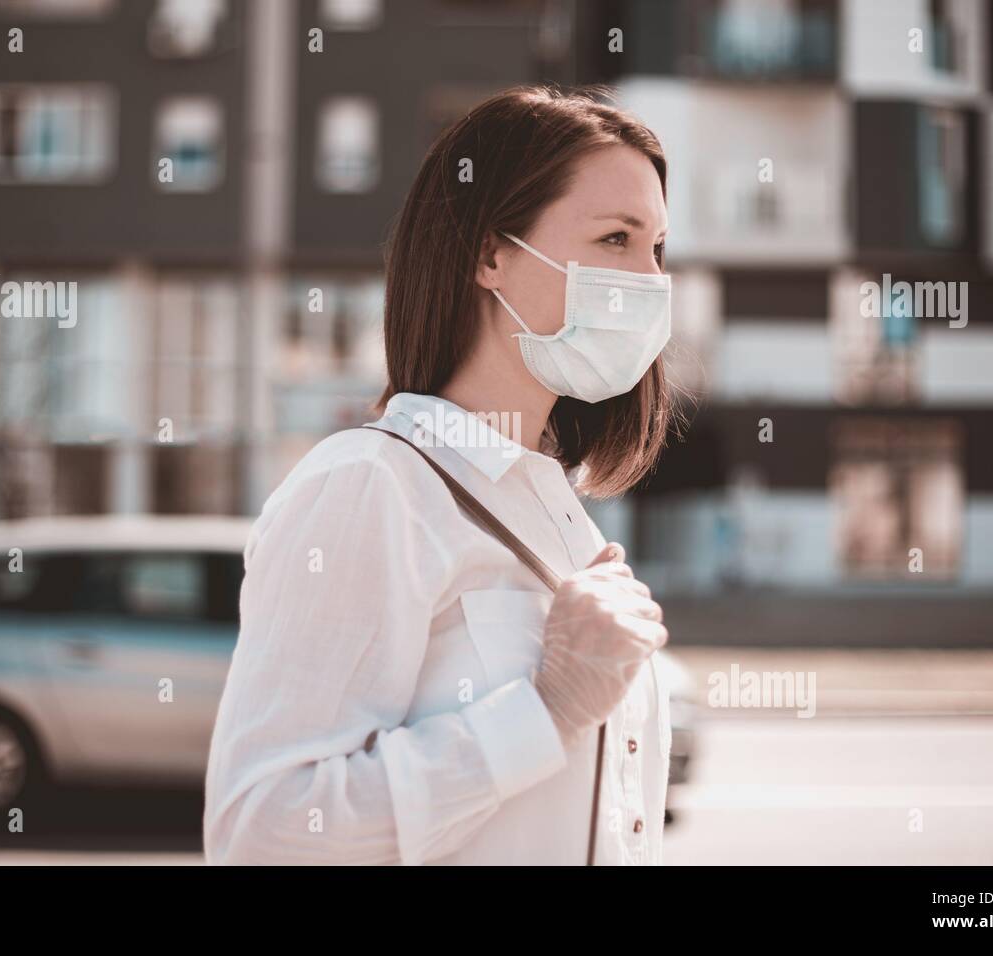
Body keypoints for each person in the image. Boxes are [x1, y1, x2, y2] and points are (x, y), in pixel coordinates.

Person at [204, 84, 683, 865]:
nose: (650, 279)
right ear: (491, 254)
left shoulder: (561, 511)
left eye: (657, 248)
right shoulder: (370, 486)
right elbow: (265, 830)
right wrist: (548, 708)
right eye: (615, 240)